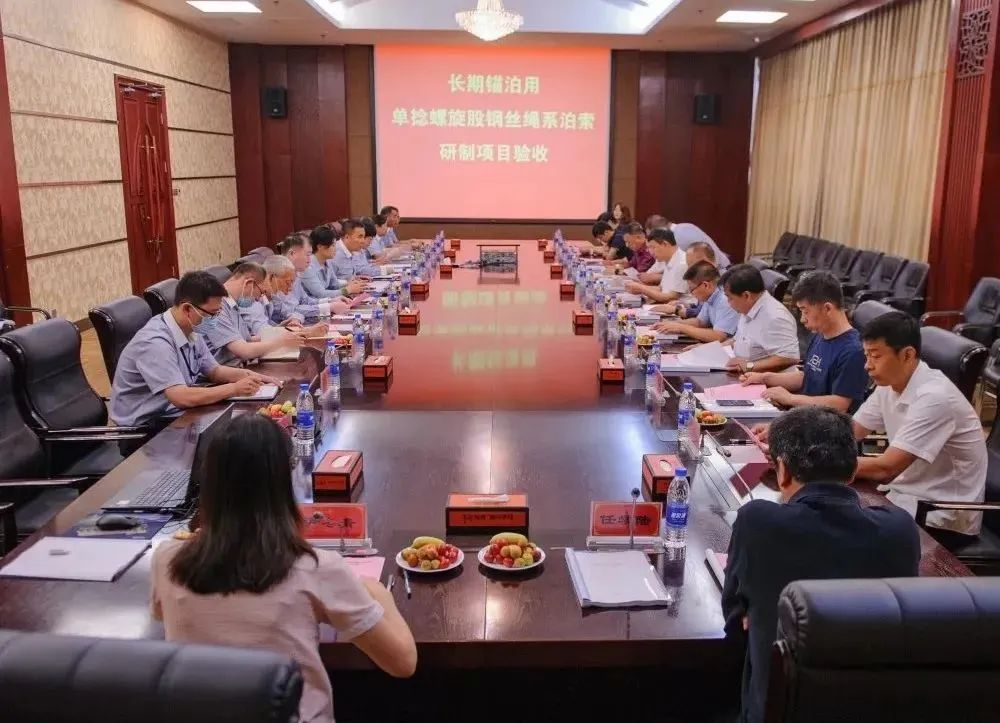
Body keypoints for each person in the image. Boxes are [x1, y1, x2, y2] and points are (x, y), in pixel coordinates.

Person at [152, 414, 417, 723]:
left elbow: (161, 613)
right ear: (283, 482)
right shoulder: (315, 568)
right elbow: (403, 662)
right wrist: (376, 592)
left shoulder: (167, 559)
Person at [723, 406, 919, 723]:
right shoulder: (900, 529)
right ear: (852, 472)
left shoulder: (757, 521)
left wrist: (754, 612)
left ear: (782, 471)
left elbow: (734, 617)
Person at [851, 311, 987, 537]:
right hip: (903, 496)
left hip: (941, 516)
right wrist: (804, 440)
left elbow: (886, 468)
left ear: (907, 354)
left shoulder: (935, 397)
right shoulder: (889, 384)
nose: (867, 366)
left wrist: (817, 465)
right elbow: (851, 430)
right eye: (866, 356)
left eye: (875, 356)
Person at [110, 272, 276, 427]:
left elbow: (214, 371)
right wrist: (234, 389)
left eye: (218, 313)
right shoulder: (154, 342)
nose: (215, 320)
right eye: (212, 314)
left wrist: (252, 376)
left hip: (177, 414)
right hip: (148, 428)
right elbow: (181, 397)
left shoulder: (192, 328)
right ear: (187, 309)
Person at [741, 271, 868, 412]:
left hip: (827, 422)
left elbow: (840, 404)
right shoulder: (820, 336)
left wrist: (790, 398)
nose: (802, 319)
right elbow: (808, 377)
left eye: (805, 311)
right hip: (805, 414)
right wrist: (765, 378)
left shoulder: (853, 351)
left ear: (827, 308)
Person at [202, 262, 306, 366]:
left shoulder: (233, 305)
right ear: (249, 283)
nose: (259, 299)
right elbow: (244, 351)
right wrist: (281, 341)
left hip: (239, 365)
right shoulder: (216, 307)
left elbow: (247, 340)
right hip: (223, 371)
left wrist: (278, 331)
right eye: (261, 292)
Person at [720, 264, 800, 373]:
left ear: (746, 296)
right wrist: (711, 350)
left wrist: (748, 366)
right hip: (744, 372)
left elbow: (789, 358)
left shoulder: (775, 317)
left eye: (729, 298)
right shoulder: (747, 307)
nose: (728, 303)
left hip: (766, 380)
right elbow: (737, 340)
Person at [652, 261, 739, 342]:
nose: (691, 293)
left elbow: (719, 336)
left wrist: (682, 328)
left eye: (692, 289)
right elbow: (700, 322)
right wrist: (673, 324)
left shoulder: (725, 299)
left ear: (706, 285)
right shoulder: (710, 296)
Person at [648, 242, 717, 317]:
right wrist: (685, 305)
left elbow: (703, 315)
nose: (690, 269)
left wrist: (676, 310)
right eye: (689, 265)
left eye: (693, 264)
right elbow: (700, 308)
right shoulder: (706, 276)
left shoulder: (719, 281)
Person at [623, 228, 690, 304]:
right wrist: (637, 287)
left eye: (653, 247)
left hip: (677, 308)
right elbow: (661, 289)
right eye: (649, 248)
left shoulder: (681, 264)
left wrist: (642, 289)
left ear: (665, 244)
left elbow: (670, 297)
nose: (651, 252)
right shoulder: (669, 259)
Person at [301, 225, 365, 300]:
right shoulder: (308, 266)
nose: (335, 249)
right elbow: (320, 294)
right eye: (333, 245)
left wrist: (350, 283)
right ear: (320, 246)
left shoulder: (327, 262)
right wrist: (347, 290)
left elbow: (334, 284)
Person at [667, 219, 731, 268]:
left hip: (718, 271)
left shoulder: (679, 236)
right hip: (721, 266)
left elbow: (702, 258)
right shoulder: (684, 226)